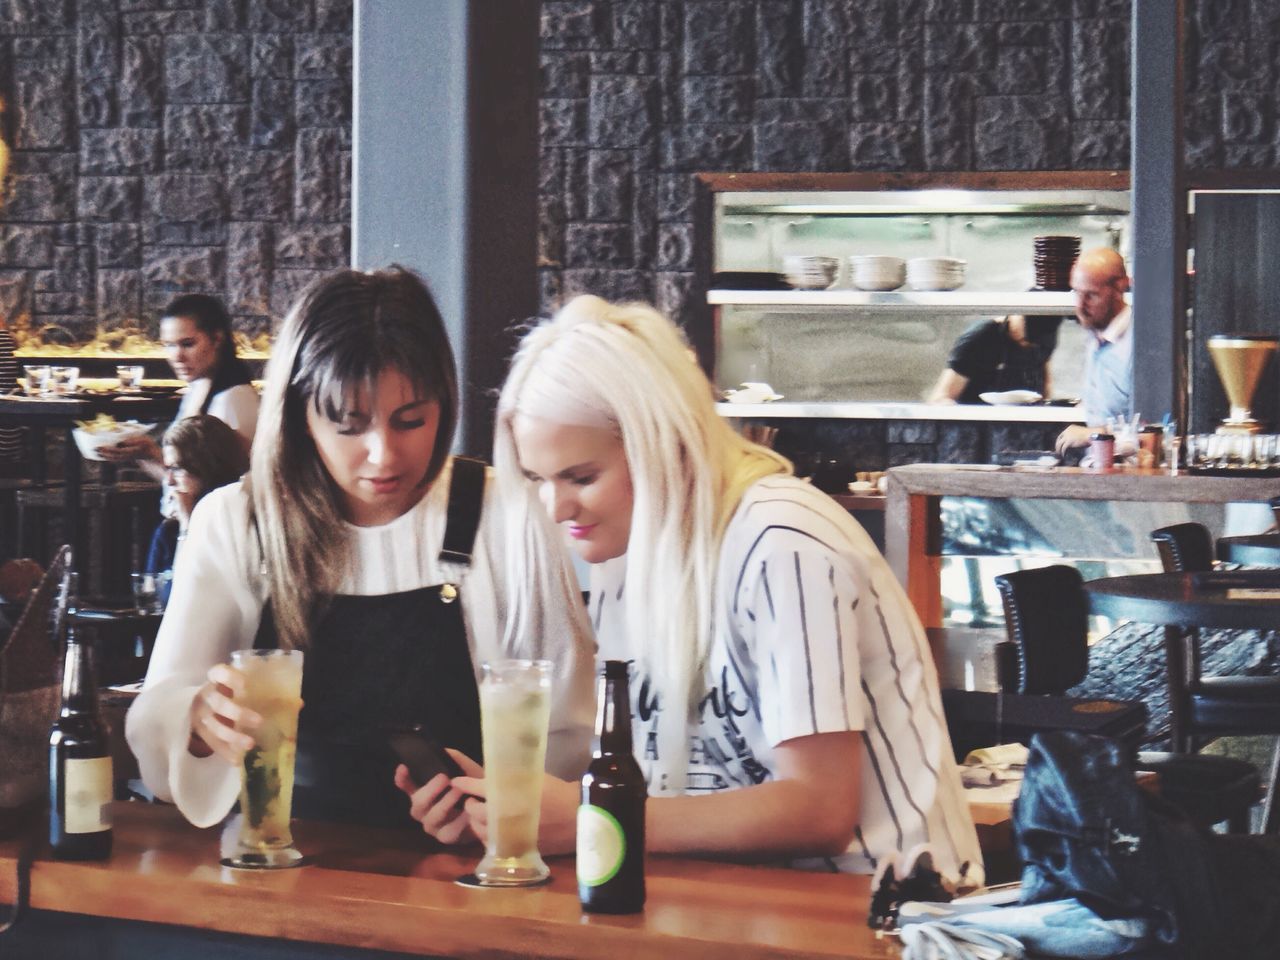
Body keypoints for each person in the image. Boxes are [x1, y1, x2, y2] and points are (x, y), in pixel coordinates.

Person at [406, 294, 983, 884]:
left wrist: (594, 817)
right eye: (538, 480)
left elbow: (819, 809)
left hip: (888, 922)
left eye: (581, 477)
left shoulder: (781, 540)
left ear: (661, 441)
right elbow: (667, 793)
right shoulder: (626, 554)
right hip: (739, 915)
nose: (556, 508)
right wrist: (511, 814)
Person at [125, 266, 595, 830]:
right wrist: (198, 720)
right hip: (275, 866)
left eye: (410, 420)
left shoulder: (507, 516)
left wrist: (508, 809)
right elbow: (157, 718)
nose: (384, 455)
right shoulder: (238, 521)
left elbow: (571, 729)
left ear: (445, 402)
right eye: (349, 425)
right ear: (301, 415)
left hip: (465, 881)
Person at [102, 294, 260, 481]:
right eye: (168, 345)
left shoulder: (234, 399)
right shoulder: (197, 388)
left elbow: (222, 487)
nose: (176, 356)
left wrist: (153, 453)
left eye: (187, 344)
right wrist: (143, 454)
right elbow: (176, 486)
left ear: (217, 339)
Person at [144, 415, 250, 609]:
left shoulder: (242, 527)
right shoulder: (168, 533)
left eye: (177, 469)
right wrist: (184, 526)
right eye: (167, 469)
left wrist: (187, 527)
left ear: (207, 469)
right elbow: (152, 602)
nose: (168, 481)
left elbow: (186, 599)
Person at [1053, 249, 1132, 455]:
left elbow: (1153, 431)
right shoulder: (1096, 334)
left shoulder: (1140, 346)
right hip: (1098, 472)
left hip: (1132, 478)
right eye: (1076, 292)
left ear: (1120, 287)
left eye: (1091, 295)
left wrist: (1091, 434)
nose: (1080, 305)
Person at [927, 314, 1064, 404]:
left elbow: (1046, 382)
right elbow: (940, 398)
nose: (1027, 345)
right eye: (1023, 339)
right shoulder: (979, 338)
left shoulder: (1046, 333)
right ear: (1015, 314)